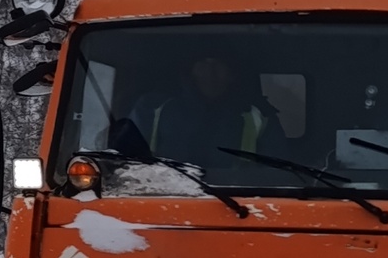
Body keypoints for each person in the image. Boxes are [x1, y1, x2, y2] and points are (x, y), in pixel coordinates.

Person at [111, 53, 273, 172]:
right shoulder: (151, 107)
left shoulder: (257, 116)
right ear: (191, 70)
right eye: (203, 63)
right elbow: (122, 165)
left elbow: (277, 174)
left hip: (241, 199)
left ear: (232, 74)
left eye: (219, 65)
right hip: (160, 195)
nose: (211, 72)